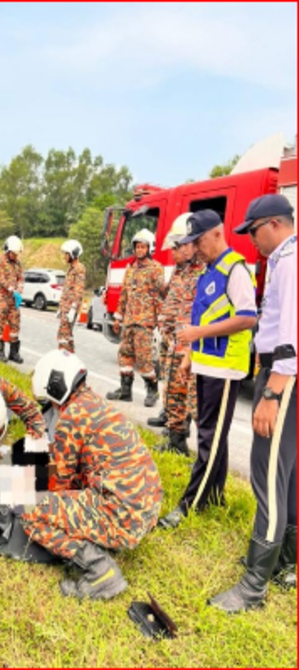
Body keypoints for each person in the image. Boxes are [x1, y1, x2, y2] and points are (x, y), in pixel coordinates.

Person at [209, 194, 296, 612]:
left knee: (268, 477)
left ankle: (254, 587)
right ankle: (287, 564)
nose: (252, 242)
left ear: (274, 224)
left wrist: (273, 392)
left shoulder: (291, 259)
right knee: (288, 475)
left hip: (285, 379)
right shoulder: (284, 258)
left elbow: (292, 332)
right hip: (286, 378)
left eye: (254, 232)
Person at [28, 350, 162, 599]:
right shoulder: (94, 403)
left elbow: (57, 485)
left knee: (31, 510)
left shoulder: (71, 418)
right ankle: (102, 541)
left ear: (57, 388)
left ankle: (99, 570)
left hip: (122, 517)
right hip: (145, 509)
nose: (52, 407)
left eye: (50, 400)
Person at [159, 210, 258, 529]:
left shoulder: (235, 269)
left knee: (208, 438)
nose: (195, 248)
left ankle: (189, 505)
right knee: (215, 437)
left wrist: (196, 336)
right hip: (208, 365)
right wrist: (190, 357)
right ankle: (214, 496)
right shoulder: (208, 271)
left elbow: (247, 317)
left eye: (198, 241)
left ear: (217, 233)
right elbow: (206, 318)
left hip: (226, 368)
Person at [148, 214, 206, 456]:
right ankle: (176, 441)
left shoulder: (203, 272)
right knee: (172, 392)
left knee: (193, 399)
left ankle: (205, 456)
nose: (174, 252)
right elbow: (171, 299)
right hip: (172, 342)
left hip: (191, 345)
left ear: (192, 245)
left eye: (178, 246)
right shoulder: (180, 272)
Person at [106, 229, 166, 407]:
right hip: (129, 320)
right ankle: (125, 391)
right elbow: (124, 294)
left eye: (143, 247)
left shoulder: (156, 269)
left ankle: (152, 391)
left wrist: (161, 320)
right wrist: (118, 317)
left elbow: (160, 296)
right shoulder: (130, 269)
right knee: (124, 354)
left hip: (144, 322)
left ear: (149, 248)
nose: (139, 250)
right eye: (137, 247)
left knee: (144, 358)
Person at [0, 235, 24, 363]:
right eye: (13, 254)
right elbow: (0, 279)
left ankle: (14, 352)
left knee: (15, 325)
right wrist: (12, 288)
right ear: (8, 250)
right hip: (2, 299)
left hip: (13, 300)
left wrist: (20, 287)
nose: (15, 256)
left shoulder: (17, 263)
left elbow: (20, 277)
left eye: (17, 254)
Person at [56, 240, 86, 353]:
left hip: (70, 307)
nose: (65, 256)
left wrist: (73, 308)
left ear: (74, 254)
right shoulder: (71, 269)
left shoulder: (79, 268)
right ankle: (70, 355)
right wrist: (61, 307)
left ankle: (63, 358)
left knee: (63, 335)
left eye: (67, 254)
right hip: (66, 306)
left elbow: (79, 289)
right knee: (67, 335)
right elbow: (67, 289)